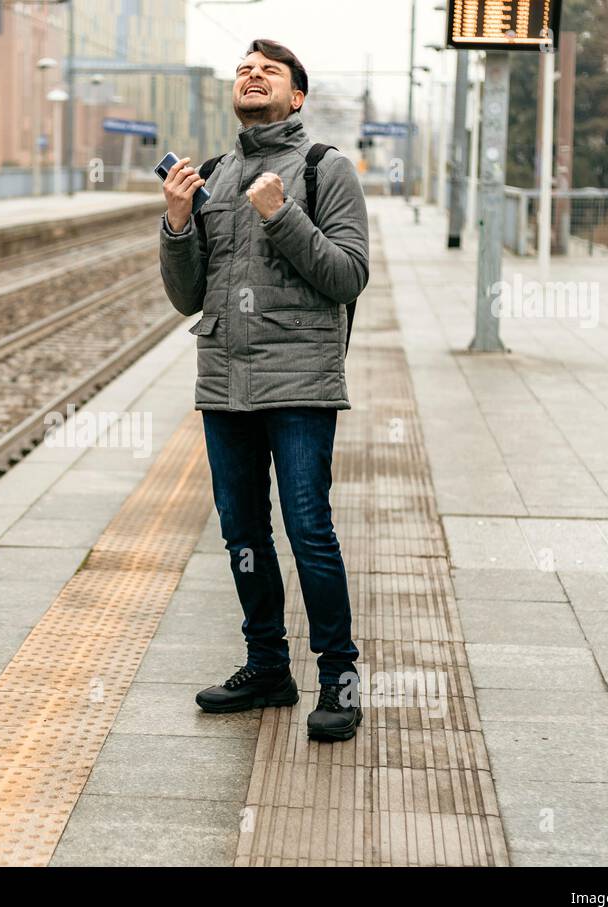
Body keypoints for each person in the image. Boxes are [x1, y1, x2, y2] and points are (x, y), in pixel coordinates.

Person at [158, 38, 370, 741]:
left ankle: (338, 678)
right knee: (243, 533)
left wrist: (283, 214)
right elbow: (186, 298)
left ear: (296, 96)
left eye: (268, 70)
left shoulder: (324, 168)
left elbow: (346, 276)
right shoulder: (213, 175)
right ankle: (267, 667)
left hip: (301, 382)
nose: (252, 76)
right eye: (244, 70)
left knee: (310, 531)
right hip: (224, 381)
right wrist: (178, 223)